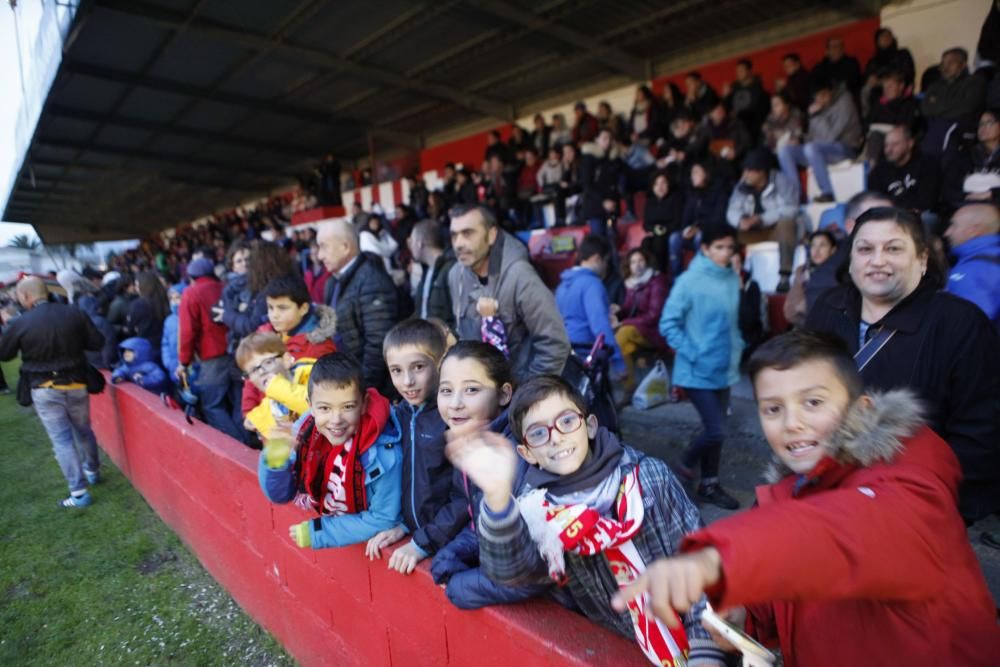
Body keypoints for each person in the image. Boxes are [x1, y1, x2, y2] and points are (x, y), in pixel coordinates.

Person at [612, 331, 1000, 667]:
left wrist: (719, 560)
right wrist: (744, 617)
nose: (791, 422)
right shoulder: (795, 492)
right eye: (773, 409)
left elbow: (835, 534)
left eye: (813, 402)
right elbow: (794, 582)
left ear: (860, 408)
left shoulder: (911, 485)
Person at [447, 375, 726, 667]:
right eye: (538, 433)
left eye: (566, 421)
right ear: (526, 454)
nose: (556, 437)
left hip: (701, 645)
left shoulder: (649, 479)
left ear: (590, 425)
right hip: (626, 649)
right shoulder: (539, 512)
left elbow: (701, 562)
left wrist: (705, 650)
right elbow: (513, 573)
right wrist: (498, 498)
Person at [806, 206, 1000, 523]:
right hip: (827, 494)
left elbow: (980, 432)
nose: (878, 260)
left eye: (893, 248)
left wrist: (945, 509)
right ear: (852, 260)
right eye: (865, 249)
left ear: (922, 260)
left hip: (911, 508)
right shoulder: (829, 307)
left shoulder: (961, 324)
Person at [429, 342, 548, 609]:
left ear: (504, 394)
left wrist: (461, 587)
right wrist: (451, 554)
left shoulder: (521, 452)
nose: (456, 403)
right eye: (446, 390)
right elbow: (483, 522)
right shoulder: (473, 442)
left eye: (471, 389)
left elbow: (532, 570)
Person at [259, 352, 403, 549]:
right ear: (310, 405)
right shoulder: (306, 429)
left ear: (363, 404)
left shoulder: (385, 455)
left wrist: (320, 532)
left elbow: (383, 518)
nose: (336, 419)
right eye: (325, 408)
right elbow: (280, 494)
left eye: (347, 407)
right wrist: (275, 462)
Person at [659, 226, 744, 509]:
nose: (725, 253)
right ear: (705, 249)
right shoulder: (689, 281)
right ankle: (682, 467)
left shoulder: (731, 278)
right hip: (695, 370)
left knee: (716, 432)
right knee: (716, 429)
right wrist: (694, 351)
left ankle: (710, 484)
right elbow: (668, 323)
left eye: (729, 248)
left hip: (724, 367)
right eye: (719, 247)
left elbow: (730, 323)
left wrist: (737, 347)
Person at [0, 277, 104, 508]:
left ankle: (79, 492)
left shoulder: (20, 323)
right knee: (83, 431)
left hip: (44, 388)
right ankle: (93, 471)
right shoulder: (73, 313)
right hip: (76, 383)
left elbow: (4, 354)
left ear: (25, 296)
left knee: (62, 439)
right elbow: (97, 342)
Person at [365, 320, 456, 575]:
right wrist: (402, 526)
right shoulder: (399, 416)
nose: (407, 381)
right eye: (396, 370)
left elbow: (464, 501)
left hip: (452, 541)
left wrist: (423, 542)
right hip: (419, 534)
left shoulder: (453, 418)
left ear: (440, 363)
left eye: (418, 367)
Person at [447, 205, 570, 384]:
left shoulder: (520, 275)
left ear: (491, 235)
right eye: (454, 235)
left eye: (468, 233)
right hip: (481, 392)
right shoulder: (455, 275)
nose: (458, 243)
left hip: (521, 393)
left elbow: (555, 343)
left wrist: (528, 393)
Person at [240, 275, 337, 432]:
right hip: (266, 426)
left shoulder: (319, 347)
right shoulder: (266, 334)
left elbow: (320, 399)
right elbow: (251, 374)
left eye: (282, 308)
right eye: (270, 308)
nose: (274, 315)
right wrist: (250, 412)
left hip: (298, 432)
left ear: (303, 308)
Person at [316, 219, 399, 394]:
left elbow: (378, 345)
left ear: (345, 247)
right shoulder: (332, 282)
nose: (319, 255)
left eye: (323, 247)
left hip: (371, 390)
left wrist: (361, 391)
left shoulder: (372, 281)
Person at [178, 257, 246, 443]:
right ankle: (247, 442)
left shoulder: (191, 293)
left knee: (212, 405)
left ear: (192, 276)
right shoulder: (226, 286)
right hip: (238, 351)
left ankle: (238, 447)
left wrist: (184, 361)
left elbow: (187, 332)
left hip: (212, 357)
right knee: (238, 402)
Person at [804, 190, 893, 311]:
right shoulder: (826, 280)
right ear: (851, 226)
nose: (890, 228)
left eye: (893, 221)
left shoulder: (909, 262)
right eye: (877, 221)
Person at [777, 78, 862, 203]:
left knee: (811, 148)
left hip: (845, 148)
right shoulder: (818, 107)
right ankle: (796, 196)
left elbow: (831, 137)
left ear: (831, 91)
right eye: (818, 97)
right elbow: (812, 137)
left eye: (824, 95)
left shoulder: (845, 100)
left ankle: (827, 193)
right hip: (820, 151)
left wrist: (817, 115)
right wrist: (800, 140)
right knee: (785, 151)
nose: (821, 100)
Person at [726, 149, 799, 292]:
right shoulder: (742, 184)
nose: (745, 174)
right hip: (752, 232)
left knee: (787, 224)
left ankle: (784, 276)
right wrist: (741, 220)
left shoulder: (781, 181)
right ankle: (732, 275)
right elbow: (732, 210)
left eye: (749, 171)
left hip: (775, 231)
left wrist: (761, 219)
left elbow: (791, 208)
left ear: (761, 172)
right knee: (726, 231)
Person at [554, 235, 625, 375]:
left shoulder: (562, 286)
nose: (606, 267)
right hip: (588, 356)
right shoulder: (592, 284)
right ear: (597, 258)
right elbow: (600, 327)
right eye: (606, 261)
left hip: (565, 354)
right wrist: (618, 362)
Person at [613, 248, 669, 398]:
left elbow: (653, 316)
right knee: (625, 345)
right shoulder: (632, 283)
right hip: (640, 329)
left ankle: (628, 384)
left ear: (647, 262)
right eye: (633, 262)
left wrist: (623, 322)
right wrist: (617, 311)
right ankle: (630, 387)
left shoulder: (657, 281)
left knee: (622, 334)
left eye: (640, 261)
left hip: (655, 332)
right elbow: (628, 308)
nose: (637, 265)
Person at [236, 332, 312, 441]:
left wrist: (277, 387)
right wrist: (255, 421)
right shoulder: (269, 407)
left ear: (286, 360)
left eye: (267, 362)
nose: (261, 372)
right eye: (253, 370)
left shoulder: (311, 375)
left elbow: (315, 406)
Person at [866, 125, 941, 225]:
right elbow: (875, 201)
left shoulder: (927, 164)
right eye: (886, 145)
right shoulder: (879, 170)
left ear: (910, 143)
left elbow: (927, 202)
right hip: (890, 217)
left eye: (894, 144)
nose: (889, 150)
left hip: (919, 217)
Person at [921, 48, 987, 157]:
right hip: (935, 130)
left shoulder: (975, 82)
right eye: (943, 64)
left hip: (962, 131)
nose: (945, 67)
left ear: (963, 65)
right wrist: (952, 104)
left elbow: (966, 108)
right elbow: (926, 109)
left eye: (951, 63)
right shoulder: (934, 86)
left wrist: (937, 108)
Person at [943, 202, 1000, 329]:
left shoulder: (976, 270)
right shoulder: (989, 259)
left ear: (974, 231)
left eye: (953, 226)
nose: (947, 233)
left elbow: (965, 326)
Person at [864, 68, 920, 163]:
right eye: (885, 87)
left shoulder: (909, 104)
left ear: (901, 86)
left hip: (897, 142)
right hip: (874, 142)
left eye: (890, 86)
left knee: (876, 136)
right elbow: (866, 124)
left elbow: (906, 127)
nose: (886, 90)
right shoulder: (879, 103)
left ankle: (872, 168)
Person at [784, 230, 837, 328]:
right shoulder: (802, 271)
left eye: (822, 245)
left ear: (833, 250)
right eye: (813, 245)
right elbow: (790, 311)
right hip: (805, 328)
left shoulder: (839, 273)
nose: (816, 251)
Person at [408, 219, 455, 329]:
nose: (410, 246)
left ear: (419, 243)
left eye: (412, 241)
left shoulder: (451, 269)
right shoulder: (427, 271)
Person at [578, 128, 622, 238]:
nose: (608, 141)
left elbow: (630, 173)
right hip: (595, 207)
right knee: (599, 242)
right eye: (604, 138)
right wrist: (603, 201)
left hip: (612, 207)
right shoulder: (588, 159)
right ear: (597, 140)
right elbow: (587, 185)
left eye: (610, 138)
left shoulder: (614, 158)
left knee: (613, 239)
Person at [641, 171, 685, 275]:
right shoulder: (650, 201)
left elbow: (678, 221)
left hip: (670, 232)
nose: (660, 187)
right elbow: (646, 223)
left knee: (659, 242)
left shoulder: (675, 198)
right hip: (654, 233)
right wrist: (652, 229)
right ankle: (646, 274)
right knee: (645, 242)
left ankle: (660, 273)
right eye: (656, 184)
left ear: (668, 184)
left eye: (663, 183)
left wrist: (664, 229)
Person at [219, 240, 252, 354]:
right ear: (232, 266)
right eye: (239, 261)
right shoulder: (228, 291)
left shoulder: (263, 281)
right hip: (242, 342)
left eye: (248, 259)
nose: (244, 263)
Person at [128, 271, 169, 360]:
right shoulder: (164, 299)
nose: (136, 288)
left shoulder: (138, 304)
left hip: (146, 345)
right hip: (165, 344)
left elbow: (130, 327)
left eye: (137, 284)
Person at [725, 58, 770, 139]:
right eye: (737, 71)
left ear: (749, 71)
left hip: (752, 129)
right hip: (736, 129)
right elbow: (726, 108)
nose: (738, 73)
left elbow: (759, 112)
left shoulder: (758, 90)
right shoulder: (734, 90)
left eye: (741, 71)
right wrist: (726, 97)